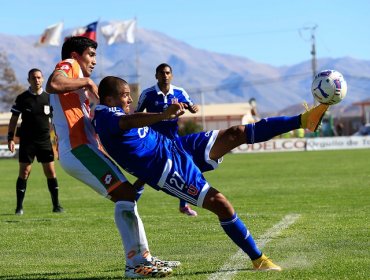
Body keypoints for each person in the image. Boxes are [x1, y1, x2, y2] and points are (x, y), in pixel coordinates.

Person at [93, 76, 330, 272]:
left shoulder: (113, 112)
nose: (130, 98)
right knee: (221, 204)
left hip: (177, 147)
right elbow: (126, 122)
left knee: (236, 132)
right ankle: (259, 260)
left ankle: (303, 120)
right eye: (125, 95)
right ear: (110, 98)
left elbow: (135, 147)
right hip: (169, 169)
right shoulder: (106, 116)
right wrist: (163, 115)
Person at [45, 36, 176, 278]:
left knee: (128, 196)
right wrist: (86, 82)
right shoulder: (69, 65)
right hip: (77, 150)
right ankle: (134, 264)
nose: (94, 61)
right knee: (125, 195)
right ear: (75, 55)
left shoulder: (77, 83)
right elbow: (53, 83)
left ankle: (143, 258)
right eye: (91, 55)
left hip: (85, 149)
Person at [136, 63, 199, 217]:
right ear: (156, 75)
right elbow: (137, 114)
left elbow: (191, 107)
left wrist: (192, 108)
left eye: (168, 73)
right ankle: (131, 200)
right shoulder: (148, 94)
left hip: (173, 139)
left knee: (184, 168)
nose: (165, 76)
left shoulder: (179, 92)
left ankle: (184, 205)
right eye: (162, 73)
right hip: (153, 139)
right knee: (146, 171)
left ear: (172, 75)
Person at [7, 68, 63, 215]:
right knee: (24, 172)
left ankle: (56, 206)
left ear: (43, 79)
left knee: (51, 172)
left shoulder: (50, 98)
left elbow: (56, 119)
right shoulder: (22, 98)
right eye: (33, 78)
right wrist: (10, 138)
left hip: (45, 141)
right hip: (27, 141)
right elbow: (13, 119)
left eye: (39, 77)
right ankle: (19, 207)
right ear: (29, 80)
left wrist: (59, 137)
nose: (36, 80)